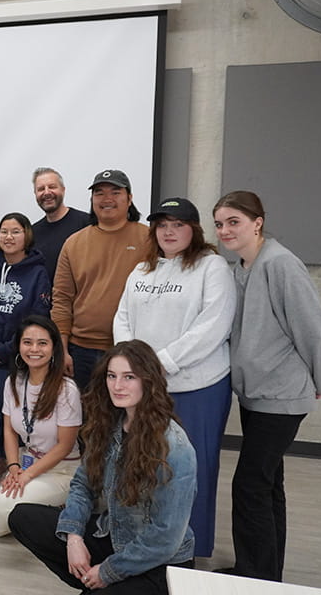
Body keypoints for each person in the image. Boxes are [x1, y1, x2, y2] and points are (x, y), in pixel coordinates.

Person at [212, 191, 321, 582]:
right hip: (256, 395)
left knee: (249, 485)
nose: (225, 230)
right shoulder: (242, 267)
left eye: (234, 221)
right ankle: (266, 573)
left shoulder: (281, 264)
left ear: (257, 222)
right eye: (219, 224)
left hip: (281, 396)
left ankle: (254, 576)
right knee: (268, 485)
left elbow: (319, 333)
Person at [9, 340, 197, 594]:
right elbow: (82, 484)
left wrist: (109, 571)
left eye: (129, 377)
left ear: (148, 380)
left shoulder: (175, 447)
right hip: (115, 534)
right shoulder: (111, 423)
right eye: (112, 376)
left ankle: (102, 583)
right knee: (22, 517)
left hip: (161, 562)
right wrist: (73, 538)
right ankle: (91, 579)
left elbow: (165, 539)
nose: (117, 386)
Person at [113, 197, 236, 558]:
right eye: (162, 224)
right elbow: (123, 318)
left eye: (178, 224)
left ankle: (188, 553)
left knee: (191, 472)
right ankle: (151, 546)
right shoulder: (141, 270)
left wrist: (160, 362)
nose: (169, 231)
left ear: (193, 230)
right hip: (147, 388)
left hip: (197, 388)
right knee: (148, 468)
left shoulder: (211, 267)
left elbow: (213, 325)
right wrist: (132, 364)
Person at [0, 212, 51, 487]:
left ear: (26, 234)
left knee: (16, 414)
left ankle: (16, 462)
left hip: (16, 359)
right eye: (4, 231)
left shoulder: (38, 271)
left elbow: (38, 317)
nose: (9, 237)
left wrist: (6, 348)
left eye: (15, 231)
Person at [0, 315, 81, 537]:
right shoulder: (13, 382)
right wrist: (14, 468)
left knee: (2, 511)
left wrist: (26, 477)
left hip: (63, 469)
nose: (34, 349)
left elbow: (64, 446)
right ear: (18, 346)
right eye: (27, 342)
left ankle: (67, 506)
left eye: (42, 343)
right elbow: (8, 430)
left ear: (54, 347)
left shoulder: (66, 390)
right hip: (28, 461)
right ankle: (48, 507)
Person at [51, 169, 147, 391]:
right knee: (86, 419)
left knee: (127, 419)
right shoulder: (73, 243)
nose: (107, 199)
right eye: (99, 193)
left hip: (132, 348)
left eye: (115, 192)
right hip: (81, 350)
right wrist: (62, 350)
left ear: (129, 198)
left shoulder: (150, 239)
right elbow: (62, 300)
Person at [30, 167, 90, 283]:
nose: (47, 192)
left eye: (52, 187)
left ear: (63, 189)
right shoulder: (33, 233)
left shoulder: (86, 224)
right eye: (41, 189)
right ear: (35, 194)